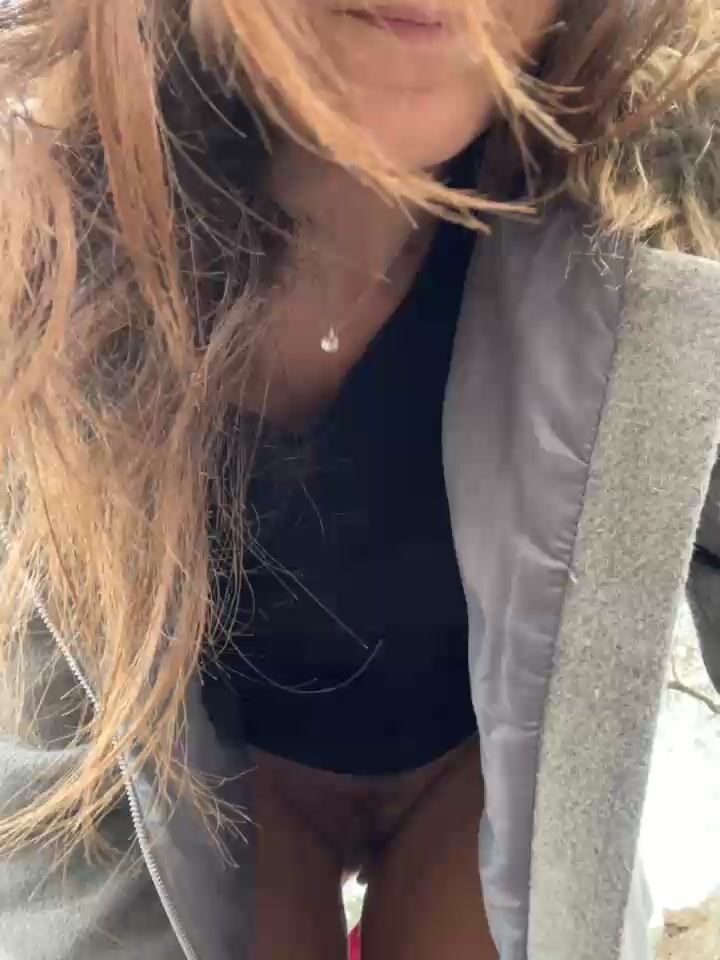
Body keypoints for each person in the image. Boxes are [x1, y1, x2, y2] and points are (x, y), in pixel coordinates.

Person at [0, 1, 719, 959]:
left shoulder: (668, 211)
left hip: (474, 756)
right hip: (232, 770)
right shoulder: (42, 235)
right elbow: (42, 742)